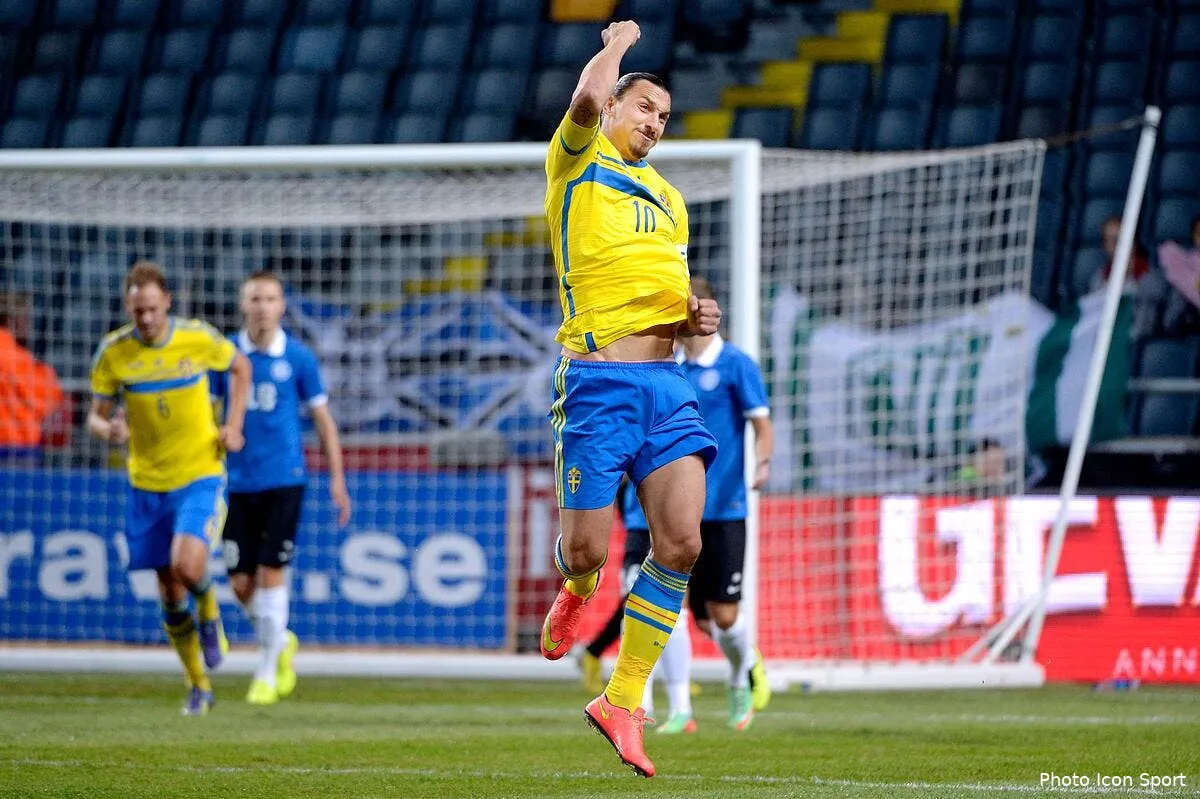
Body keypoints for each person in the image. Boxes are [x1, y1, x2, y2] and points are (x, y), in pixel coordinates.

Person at [540, 20, 721, 778]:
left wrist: (695, 319)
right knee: (590, 553)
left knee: (681, 543)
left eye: (664, 117)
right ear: (615, 109)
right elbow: (584, 92)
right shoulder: (575, 163)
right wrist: (618, 45)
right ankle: (578, 584)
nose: (655, 123)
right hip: (597, 383)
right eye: (645, 108)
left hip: (666, 384)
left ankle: (623, 698)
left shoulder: (672, 200)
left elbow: (667, 297)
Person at [87, 261, 250, 716]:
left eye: (153, 309)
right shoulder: (113, 353)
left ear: (168, 303)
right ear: (128, 307)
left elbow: (241, 369)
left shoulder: (197, 338)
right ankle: (198, 685)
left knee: (187, 563)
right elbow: (95, 415)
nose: (146, 319)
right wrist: (108, 431)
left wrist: (233, 426)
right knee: (167, 588)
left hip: (200, 474)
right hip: (147, 484)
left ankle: (211, 610)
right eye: (138, 311)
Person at [644, 277, 774, 735]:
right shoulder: (668, 367)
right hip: (677, 507)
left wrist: (763, 463)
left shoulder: (736, 363)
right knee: (675, 610)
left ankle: (742, 674)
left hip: (724, 506)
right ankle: (679, 707)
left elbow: (761, 422)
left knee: (722, 618)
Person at [215, 271, 351, 706]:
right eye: (254, 298)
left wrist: (337, 478)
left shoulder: (298, 357)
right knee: (239, 583)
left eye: (270, 298)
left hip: (285, 480)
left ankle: (265, 671)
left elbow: (323, 421)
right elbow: (210, 412)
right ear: (243, 305)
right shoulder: (225, 357)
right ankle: (282, 640)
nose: (262, 306)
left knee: (272, 574)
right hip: (237, 482)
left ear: (282, 307)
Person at [0, 291, 63, 456]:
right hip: (16, 447)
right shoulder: (17, 358)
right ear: (12, 320)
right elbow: (47, 399)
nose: (28, 324)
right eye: (24, 318)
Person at [1093, 214, 1149, 294]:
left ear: (1133, 242)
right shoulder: (1098, 278)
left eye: (1116, 240)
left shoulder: (1149, 277)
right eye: (1106, 240)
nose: (1111, 245)